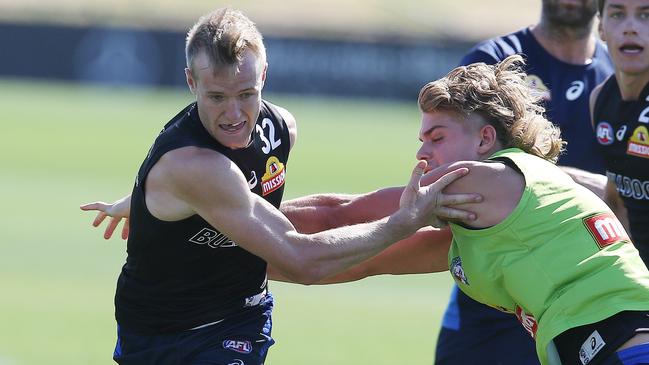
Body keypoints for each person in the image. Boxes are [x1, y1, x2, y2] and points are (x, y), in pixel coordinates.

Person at [79, 8, 481, 365]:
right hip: (164, 338)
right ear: (190, 82)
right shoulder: (193, 165)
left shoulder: (280, 127)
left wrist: (145, 201)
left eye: (247, 94)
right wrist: (402, 223)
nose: (234, 114)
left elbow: (316, 215)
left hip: (240, 319)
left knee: (338, 214)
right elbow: (300, 261)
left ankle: (485, 223)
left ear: (264, 77)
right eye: (216, 96)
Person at [284, 55, 649, 365]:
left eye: (437, 137)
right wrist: (238, 263)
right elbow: (361, 260)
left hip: (630, 344)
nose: (422, 153)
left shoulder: (482, 179)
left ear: (484, 139)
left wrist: (234, 213)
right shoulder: (484, 224)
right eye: (422, 140)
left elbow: (339, 214)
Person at [433, 1, 615, 363]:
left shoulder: (620, 74)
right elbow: (464, 172)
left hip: (584, 296)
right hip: (494, 298)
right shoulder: (494, 61)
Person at [591, 0, 649, 265]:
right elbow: (616, 200)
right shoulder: (600, 99)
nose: (630, 28)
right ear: (601, 27)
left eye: (645, 15)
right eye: (617, 14)